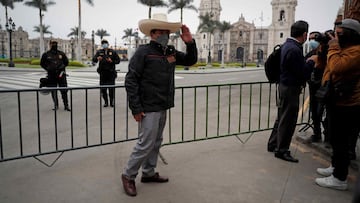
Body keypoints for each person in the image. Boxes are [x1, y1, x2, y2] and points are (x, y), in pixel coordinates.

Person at [121, 13, 197, 197]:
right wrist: (136, 108)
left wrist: (190, 42)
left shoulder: (169, 51)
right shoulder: (143, 52)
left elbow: (190, 60)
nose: (165, 35)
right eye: (161, 31)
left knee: (156, 141)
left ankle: (148, 173)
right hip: (148, 107)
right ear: (152, 33)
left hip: (163, 104)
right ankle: (128, 175)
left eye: (167, 32)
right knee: (145, 143)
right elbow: (131, 80)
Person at [315, 18, 360, 191]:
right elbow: (325, 66)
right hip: (337, 100)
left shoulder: (356, 52)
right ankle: (335, 168)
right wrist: (326, 48)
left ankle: (340, 178)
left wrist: (333, 46)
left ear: (350, 35)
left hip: (348, 104)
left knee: (342, 142)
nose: (336, 37)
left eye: (339, 34)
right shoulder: (344, 49)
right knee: (335, 139)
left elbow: (336, 67)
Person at [267, 20, 316, 163]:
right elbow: (302, 73)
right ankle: (282, 150)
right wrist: (311, 62)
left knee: (282, 117)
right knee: (288, 120)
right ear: (305, 34)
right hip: (290, 88)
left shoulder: (287, 45)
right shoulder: (294, 49)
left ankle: (273, 144)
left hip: (284, 85)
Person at [304, 31, 329, 143]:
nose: (312, 41)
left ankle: (328, 136)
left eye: (315, 38)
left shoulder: (328, 52)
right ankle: (317, 133)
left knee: (328, 112)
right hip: (313, 87)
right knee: (315, 112)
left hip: (326, 87)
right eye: (310, 39)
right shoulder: (310, 53)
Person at [40, 40, 71, 111]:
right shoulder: (46, 54)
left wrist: (62, 67)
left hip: (61, 75)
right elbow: (42, 63)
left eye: (55, 43)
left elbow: (66, 62)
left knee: (64, 90)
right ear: (50, 44)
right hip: (52, 75)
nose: (54, 45)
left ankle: (66, 105)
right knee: (53, 91)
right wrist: (48, 68)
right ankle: (56, 105)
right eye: (53, 43)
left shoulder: (61, 54)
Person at [92, 39, 121, 107]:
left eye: (105, 43)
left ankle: (111, 102)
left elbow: (118, 60)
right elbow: (94, 60)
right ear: (102, 45)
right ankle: (106, 102)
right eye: (103, 44)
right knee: (103, 89)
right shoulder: (99, 52)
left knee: (111, 89)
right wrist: (97, 59)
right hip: (103, 74)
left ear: (108, 44)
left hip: (111, 73)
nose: (104, 45)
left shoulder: (112, 52)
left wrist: (111, 61)